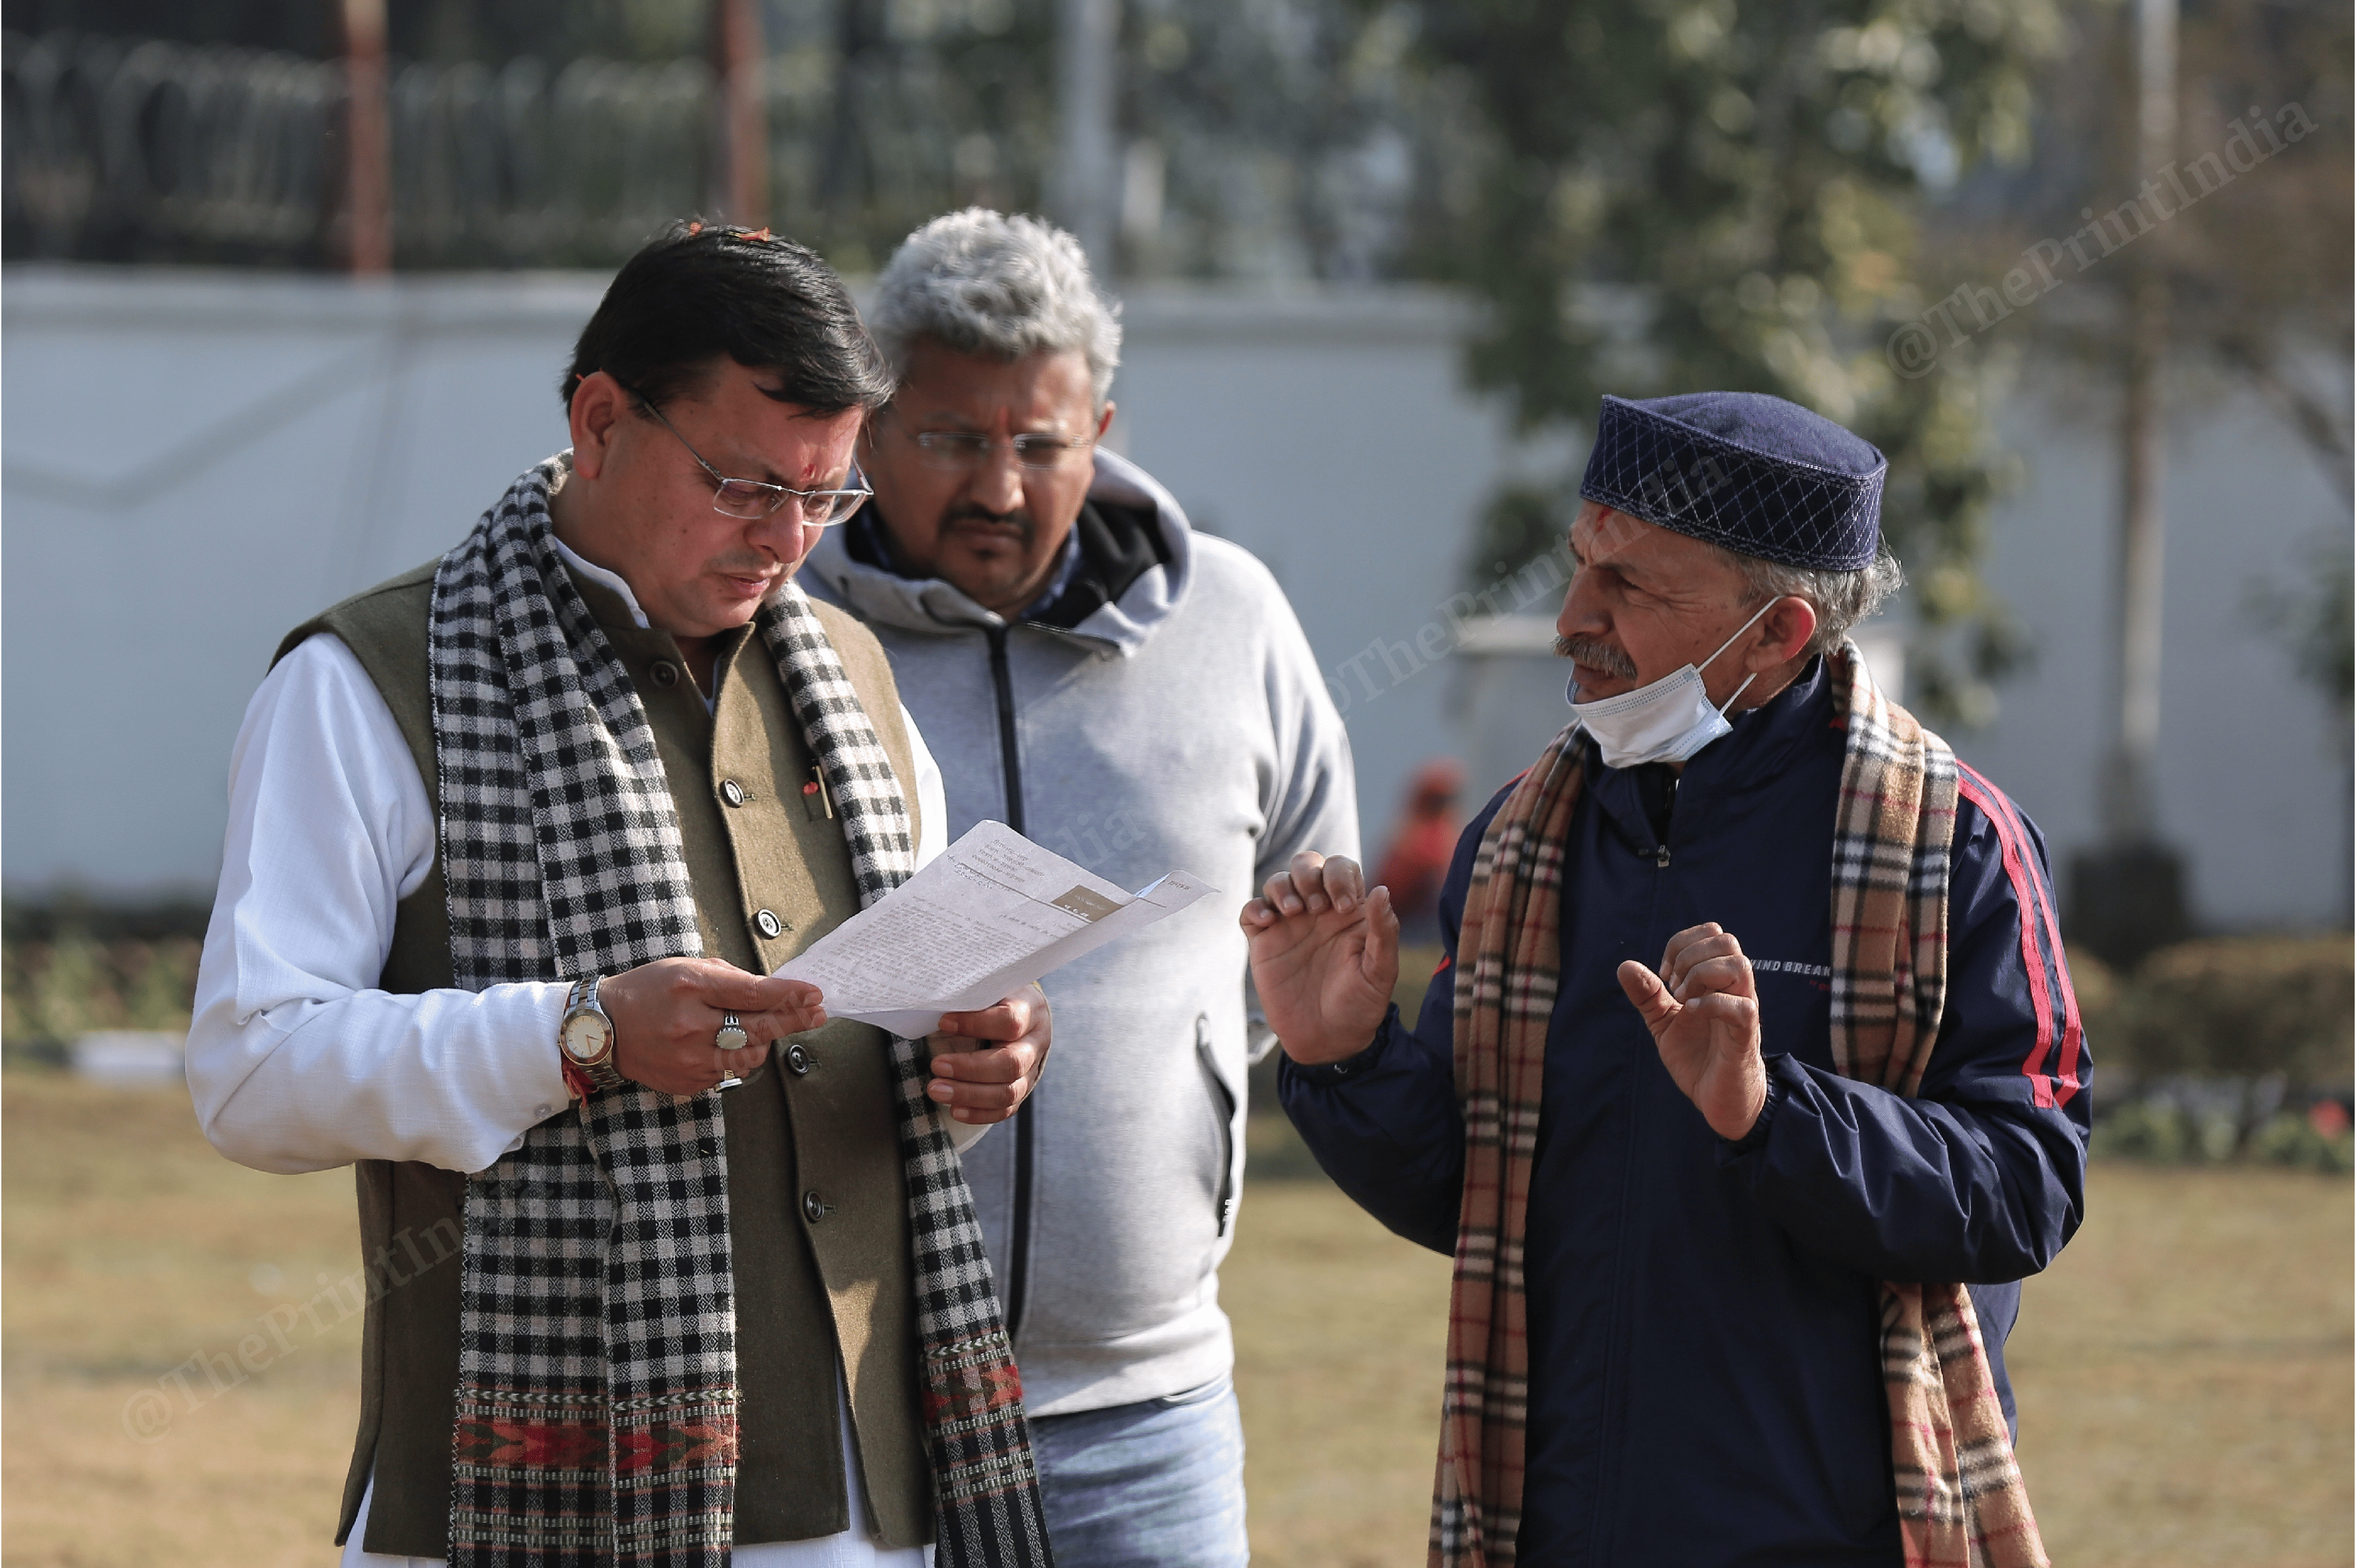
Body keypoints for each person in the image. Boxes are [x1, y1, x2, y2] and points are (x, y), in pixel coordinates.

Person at [186, 222, 1059, 1568]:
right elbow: (248, 1071)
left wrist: (990, 1045)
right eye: (743, 484)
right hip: (522, 1500)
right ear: (599, 422)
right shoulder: (366, 682)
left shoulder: (852, 675)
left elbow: (913, 1009)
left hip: (872, 1496)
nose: (784, 542)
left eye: (824, 500)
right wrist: (573, 1036)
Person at [1245, 392, 2088, 1567]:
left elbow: (2027, 1188)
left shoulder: (1954, 845)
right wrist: (1344, 1056)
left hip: (1832, 1531)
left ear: (1782, 633)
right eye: (1582, 566)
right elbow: (1475, 1195)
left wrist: (1770, 1112)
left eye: (1632, 587)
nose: (1572, 620)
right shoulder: (1524, 837)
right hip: (1549, 1524)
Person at [801, 208, 1358, 1567]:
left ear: (1098, 426)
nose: (999, 485)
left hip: (1145, 1411)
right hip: (845, 1405)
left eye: (1038, 441)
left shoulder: (1233, 618)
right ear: (871, 428)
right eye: (950, 437)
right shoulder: (782, 630)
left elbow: (1297, 933)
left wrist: (1185, 1078)